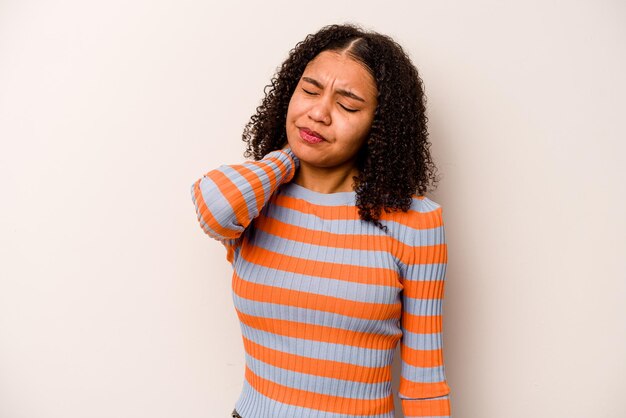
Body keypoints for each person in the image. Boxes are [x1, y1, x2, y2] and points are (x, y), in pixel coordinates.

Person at [191, 23, 452, 418]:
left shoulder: (417, 223)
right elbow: (214, 209)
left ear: (378, 127)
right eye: (309, 91)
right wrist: (287, 157)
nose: (318, 112)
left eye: (347, 105)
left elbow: (424, 385)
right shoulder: (256, 200)